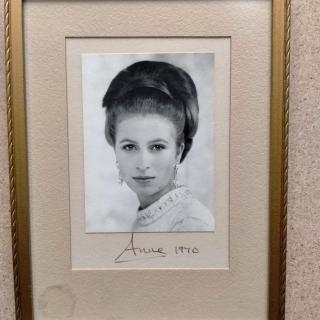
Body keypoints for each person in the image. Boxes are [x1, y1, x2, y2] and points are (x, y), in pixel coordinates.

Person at [102, 60, 214, 232]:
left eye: (157, 147)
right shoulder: (143, 219)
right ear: (115, 147)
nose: (143, 164)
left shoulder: (192, 223)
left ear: (178, 151)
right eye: (129, 147)